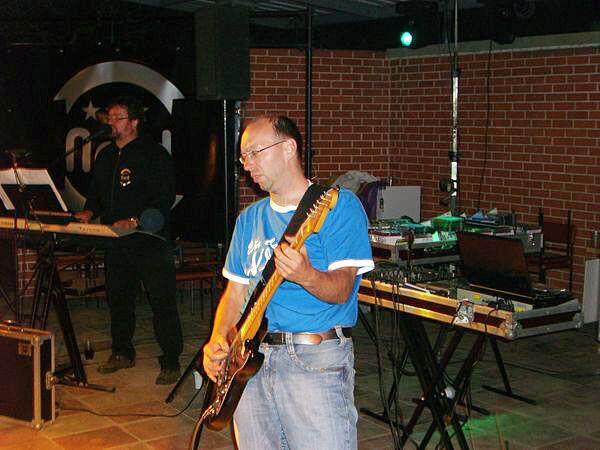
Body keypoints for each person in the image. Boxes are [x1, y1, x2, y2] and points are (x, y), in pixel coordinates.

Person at [203, 115, 374, 449]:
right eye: (243, 157)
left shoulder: (337, 206)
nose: (246, 165)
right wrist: (218, 340)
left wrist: (307, 275)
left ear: (288, 148)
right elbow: (235, 294)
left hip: (312, 358)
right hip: (248, 361)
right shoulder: (249, 219)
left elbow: (342, 290)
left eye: (254, 152)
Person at [74, 96, 183, 385]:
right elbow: (96, 195)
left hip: (149, 240)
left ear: (134, 122)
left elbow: (163, 198)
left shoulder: (154, 154)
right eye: (109, 117)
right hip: (117, 241)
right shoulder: (106, 156)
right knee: (119, 299)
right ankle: (122, 352)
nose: (111, 122)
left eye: (118, 117)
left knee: (161, 301)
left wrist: (135, 220)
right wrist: (89, 211)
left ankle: (171, 359)